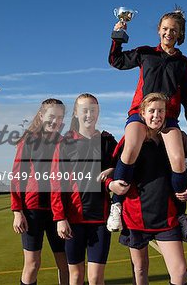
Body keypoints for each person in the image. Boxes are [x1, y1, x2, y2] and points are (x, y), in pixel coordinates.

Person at [108, 7, 187, 242]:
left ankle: (180, 214)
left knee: (178, 159)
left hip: (168, 118)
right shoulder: (146, 53)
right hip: (140, 113)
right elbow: (116, 61)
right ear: (159, 30)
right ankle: (116, 204)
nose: (169, 33)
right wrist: (118, 35)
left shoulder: (183, 63)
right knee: (131, 147)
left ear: (180, 35)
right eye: (165, 29)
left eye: (174, 30)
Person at [109, 93, 187, 285]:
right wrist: (111, 184)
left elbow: (181, 175)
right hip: (136, 216)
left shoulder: (172, 141)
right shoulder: (132, 141)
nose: (157, 115)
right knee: (140, 270)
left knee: (179, 272)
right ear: (143, 114)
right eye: (152, 111)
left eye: (161, 111)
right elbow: (115, 173)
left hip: (166, 216)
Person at [50, 93, 117, 285]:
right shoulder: (65, 143)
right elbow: (56, 183)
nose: (89, 114)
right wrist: (60, 218)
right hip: (73, 220)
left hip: (100, 220)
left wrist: (112, 169)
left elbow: (124, 166)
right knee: (76, 276)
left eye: (92, 110)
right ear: (76, 113)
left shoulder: (107, 141)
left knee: (96, 278)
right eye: (84, 110)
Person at [11, 98, 69, 285]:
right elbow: (17, 176)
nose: (55, 121)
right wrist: (17, 211)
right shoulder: (29, 140)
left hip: (58, 212)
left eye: (59, 117)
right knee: (32, 264)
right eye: (51, 116)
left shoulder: (65, 143)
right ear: (42, 116)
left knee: (65, 264)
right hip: (32, 211)